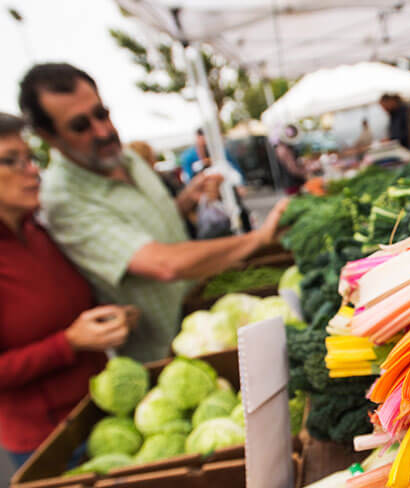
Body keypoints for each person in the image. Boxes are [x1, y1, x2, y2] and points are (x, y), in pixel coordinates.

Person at [19, 63, 288, 363]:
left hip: (206, 309)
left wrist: (186, 200)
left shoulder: (126, 158)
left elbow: (143, 226)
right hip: (168, 353)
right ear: (49, 136)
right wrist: (260, 238)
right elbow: (162, 265)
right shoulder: (63, 198)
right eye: (81, 126)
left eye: (102, 114)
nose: (103, 131)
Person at [0, 113, 136, 466]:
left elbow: (70, 304)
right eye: (10, 161)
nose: (32, 170)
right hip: (49, 444)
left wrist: (110, 316)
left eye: (30, 158)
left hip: (102, 410)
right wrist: (70, 343)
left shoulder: (39, 232)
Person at [274, 124, 308, 195]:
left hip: (291, 182)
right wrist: (305, 174)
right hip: (293, 182)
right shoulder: (284, 150)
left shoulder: (281, 148)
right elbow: (292, 168)